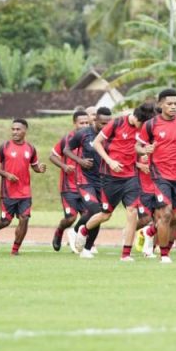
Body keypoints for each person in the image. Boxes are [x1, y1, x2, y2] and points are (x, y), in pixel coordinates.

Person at [78, 104, 155, 261]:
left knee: (132, 211)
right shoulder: (117, 123)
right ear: (137, 118)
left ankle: (125, 254)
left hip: (131, 176)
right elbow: (97, 143)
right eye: (143, 124)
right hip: (110, 177)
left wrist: (144, 152)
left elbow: (137, 147)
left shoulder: (143, 128)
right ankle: (84, 230)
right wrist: (110, 161)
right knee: (106, 215)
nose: (144, 128)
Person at [136, 89, 176, 263]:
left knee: (175, 217)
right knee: (166, 214)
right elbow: (137, 146)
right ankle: (164, 255)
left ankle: (150, 233)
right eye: (169, 104)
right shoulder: (151, 125)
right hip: (159, 175)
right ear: (160, 104)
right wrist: (145, 150)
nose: (173, 107)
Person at [0, 119, 46, 255]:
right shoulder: (4, 147)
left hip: (25, 192)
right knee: (5, 221)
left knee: (24, 219)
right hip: (8, 192)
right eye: (13, 129)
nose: (15, 132)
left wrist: (40, 169)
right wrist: (6, 174)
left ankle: (15, 250)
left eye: (18, 129)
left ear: (25, 131)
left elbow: (34, 166)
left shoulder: (30, 148)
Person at [66, 108, 112, 255]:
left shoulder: (111, 135)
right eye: (102, 123)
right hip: (85, 180)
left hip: (103, 181)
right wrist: (80, 161)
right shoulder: (84, 133)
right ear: (95, 121)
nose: (105, 126)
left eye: (108, 123)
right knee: (95, 210)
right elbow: (66, 150)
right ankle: (75, 231)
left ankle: (87, 248)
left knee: (101, 214)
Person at [49, 110, 93, 252]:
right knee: (70, 217)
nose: (85, 125)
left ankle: (78, 236)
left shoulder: (92, 139)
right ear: (74, 123)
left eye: (87, 122)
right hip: (69, 186)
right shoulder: (67, 139)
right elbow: (53, 156)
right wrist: (64, 166)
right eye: (82, 123)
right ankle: (60, 231)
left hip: (86, 185)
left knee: (90, 214)